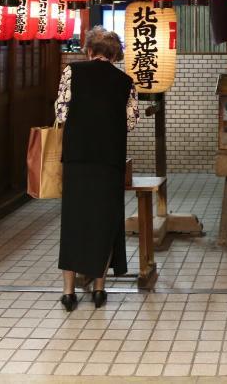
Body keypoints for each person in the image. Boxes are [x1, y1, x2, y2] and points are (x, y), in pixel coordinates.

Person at [54, 26, 139, 311]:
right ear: (114, 54)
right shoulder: (125, 81)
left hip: (78, 158)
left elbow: (60, 112)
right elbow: (130, 121)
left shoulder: (72, 72)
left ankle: (69, 292)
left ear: (89, 51)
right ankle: (100, 289)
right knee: (104, 221)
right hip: (109, 160)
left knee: (75, 222)